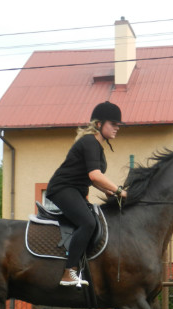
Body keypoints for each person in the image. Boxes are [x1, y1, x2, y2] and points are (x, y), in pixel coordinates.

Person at [46, 101, 128, 287]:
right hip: (62, 189)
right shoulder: (90, 142)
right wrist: (119, 191)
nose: (117, 128)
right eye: (113, 124)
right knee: (88, 222)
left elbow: (92, 180)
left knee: (95, 220)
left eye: (118, 125)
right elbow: (95, 175)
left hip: (75, 189)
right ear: (99, 124)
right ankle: (69, 272)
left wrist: (111, 192)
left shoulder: (97, 146)